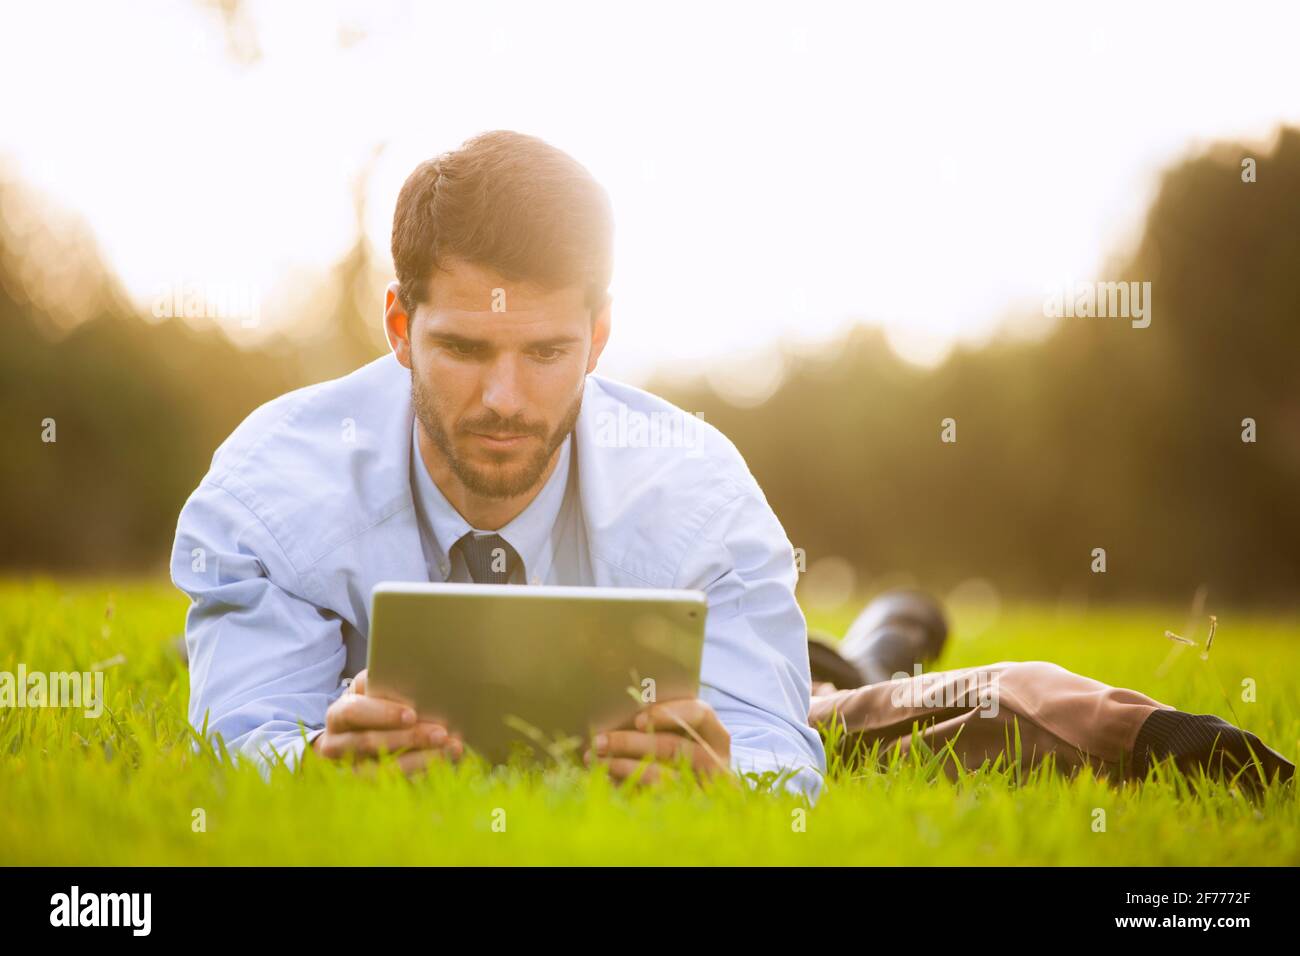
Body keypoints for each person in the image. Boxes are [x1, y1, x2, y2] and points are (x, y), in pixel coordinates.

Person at [171, 130, 826, 799]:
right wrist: (313, 763)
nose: (503, 401)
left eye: (545, 354)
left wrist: (725, 784)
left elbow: (780, 760)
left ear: (598, 337)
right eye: (463, 348)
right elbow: (234, 743)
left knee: (833, 681)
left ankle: (863, 655)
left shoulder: (701, 499)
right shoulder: (270, 492)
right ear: (400, 327)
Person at [806, 590, 1295, 797]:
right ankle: (1185, 748)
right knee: (903, 737)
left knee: (888, 686)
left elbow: (1014, 692)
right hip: (798, 699)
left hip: (801, 678)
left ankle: (900, 619)